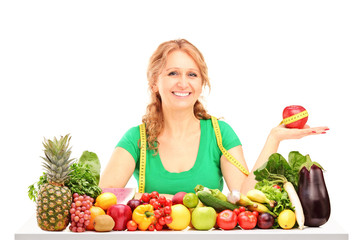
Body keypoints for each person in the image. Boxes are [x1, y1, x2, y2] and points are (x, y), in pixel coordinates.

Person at [99, 39, 329, 197]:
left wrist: (274, 139)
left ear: (201, 83)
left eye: (192, 74)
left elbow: (244, 196)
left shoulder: (220, 134)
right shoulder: (136, 139)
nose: (183, 83)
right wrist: (169, 200)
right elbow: (105, 193)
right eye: (172, 73)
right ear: (154, 83)